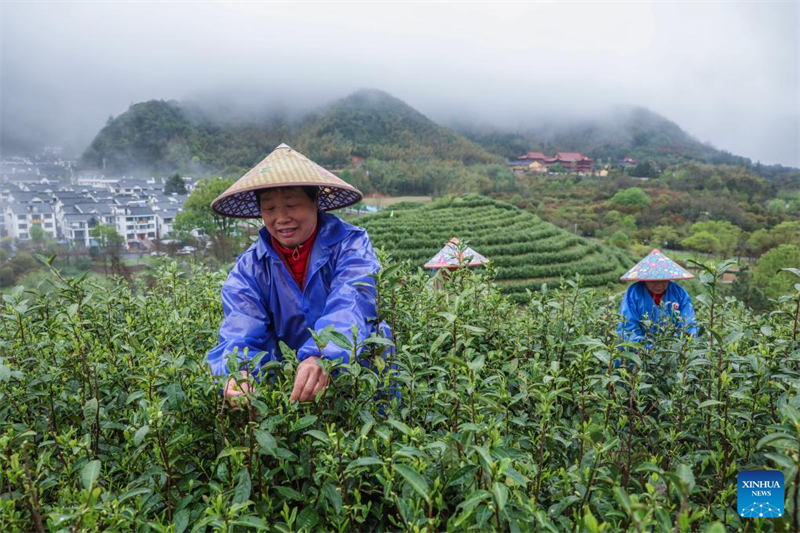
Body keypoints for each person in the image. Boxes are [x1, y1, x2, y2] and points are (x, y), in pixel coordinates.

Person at [205, 143, 391, 405]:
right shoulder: (250, 268)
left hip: (360, 378)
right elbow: (240, 326)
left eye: (292, 205)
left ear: (315, 202)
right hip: (292, 387)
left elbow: (351, 302)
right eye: (269, 209)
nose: (281, 218)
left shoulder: (351, 245)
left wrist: (322, 353)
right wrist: (238, 371)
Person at [617, 249, 698, 349]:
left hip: (673, 351)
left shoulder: (679, 293)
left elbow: (688, 324)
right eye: (653, 281)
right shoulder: (634, 293)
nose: (659, 285)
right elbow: (628, 327)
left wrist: (680, 347)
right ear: (644, 278)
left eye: (664, 280)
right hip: (640, 352)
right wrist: (646, 349)